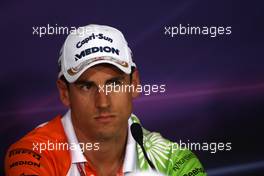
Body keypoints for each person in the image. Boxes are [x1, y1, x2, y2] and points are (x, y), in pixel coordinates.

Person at [5, 24, 207, 176]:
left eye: (114, 84)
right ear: (64, 92)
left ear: (134, 84)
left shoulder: (174, 161)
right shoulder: (33, 154)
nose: (103, 103)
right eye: (86, 86)